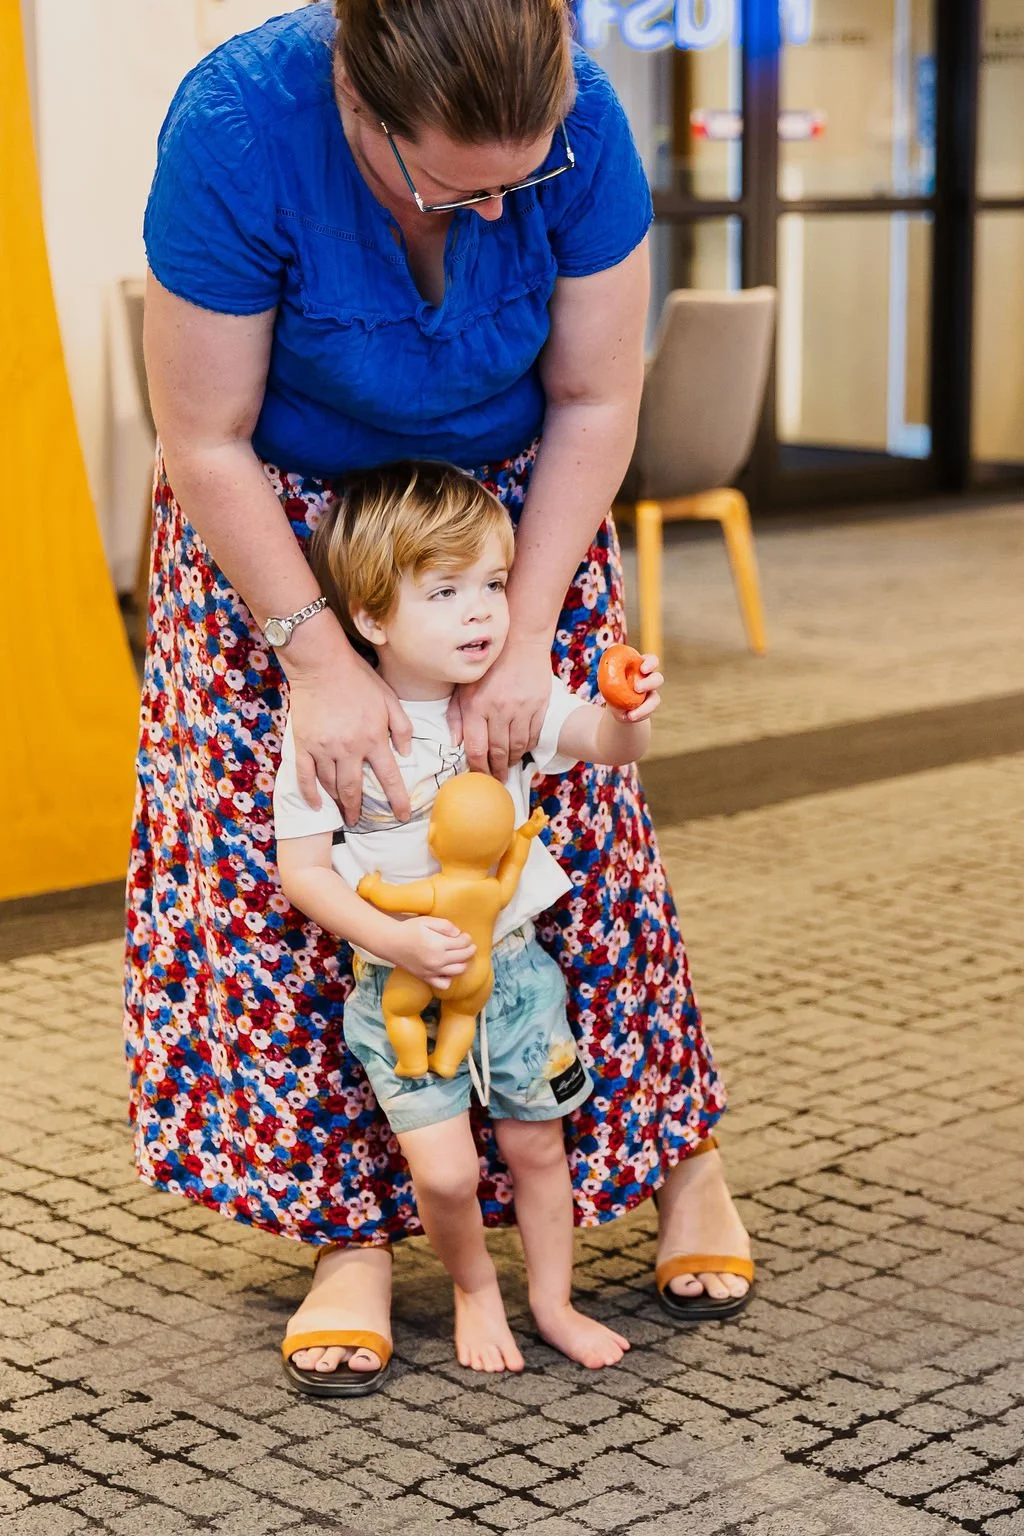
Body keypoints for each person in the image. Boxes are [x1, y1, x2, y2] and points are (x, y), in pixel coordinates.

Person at [126, 0, 753, 1397]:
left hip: (511, 522)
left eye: (517, 187)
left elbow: (596, 399)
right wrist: (315, 657)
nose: (491, 216)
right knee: (288, 887)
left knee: (578, 857)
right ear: (361, 103)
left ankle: (680, 1167)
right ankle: (346, 1232)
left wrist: (527, 629)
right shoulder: (238, 127)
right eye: (454, 184)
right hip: (281, 530)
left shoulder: (581, 121)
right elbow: (203, 433)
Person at [274, 460, 663, 1387]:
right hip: (400, 990)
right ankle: (475, 1286)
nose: (484, 613)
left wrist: (630, 713)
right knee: (446, 1174)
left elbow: (606, 748)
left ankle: (553, 1302)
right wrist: (396, 940)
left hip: (519, 977)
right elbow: (303, 873)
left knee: (538, 1147)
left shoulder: (506, 700)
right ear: (370, 617)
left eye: (492, 583)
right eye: (446, 592)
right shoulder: (330, 727)